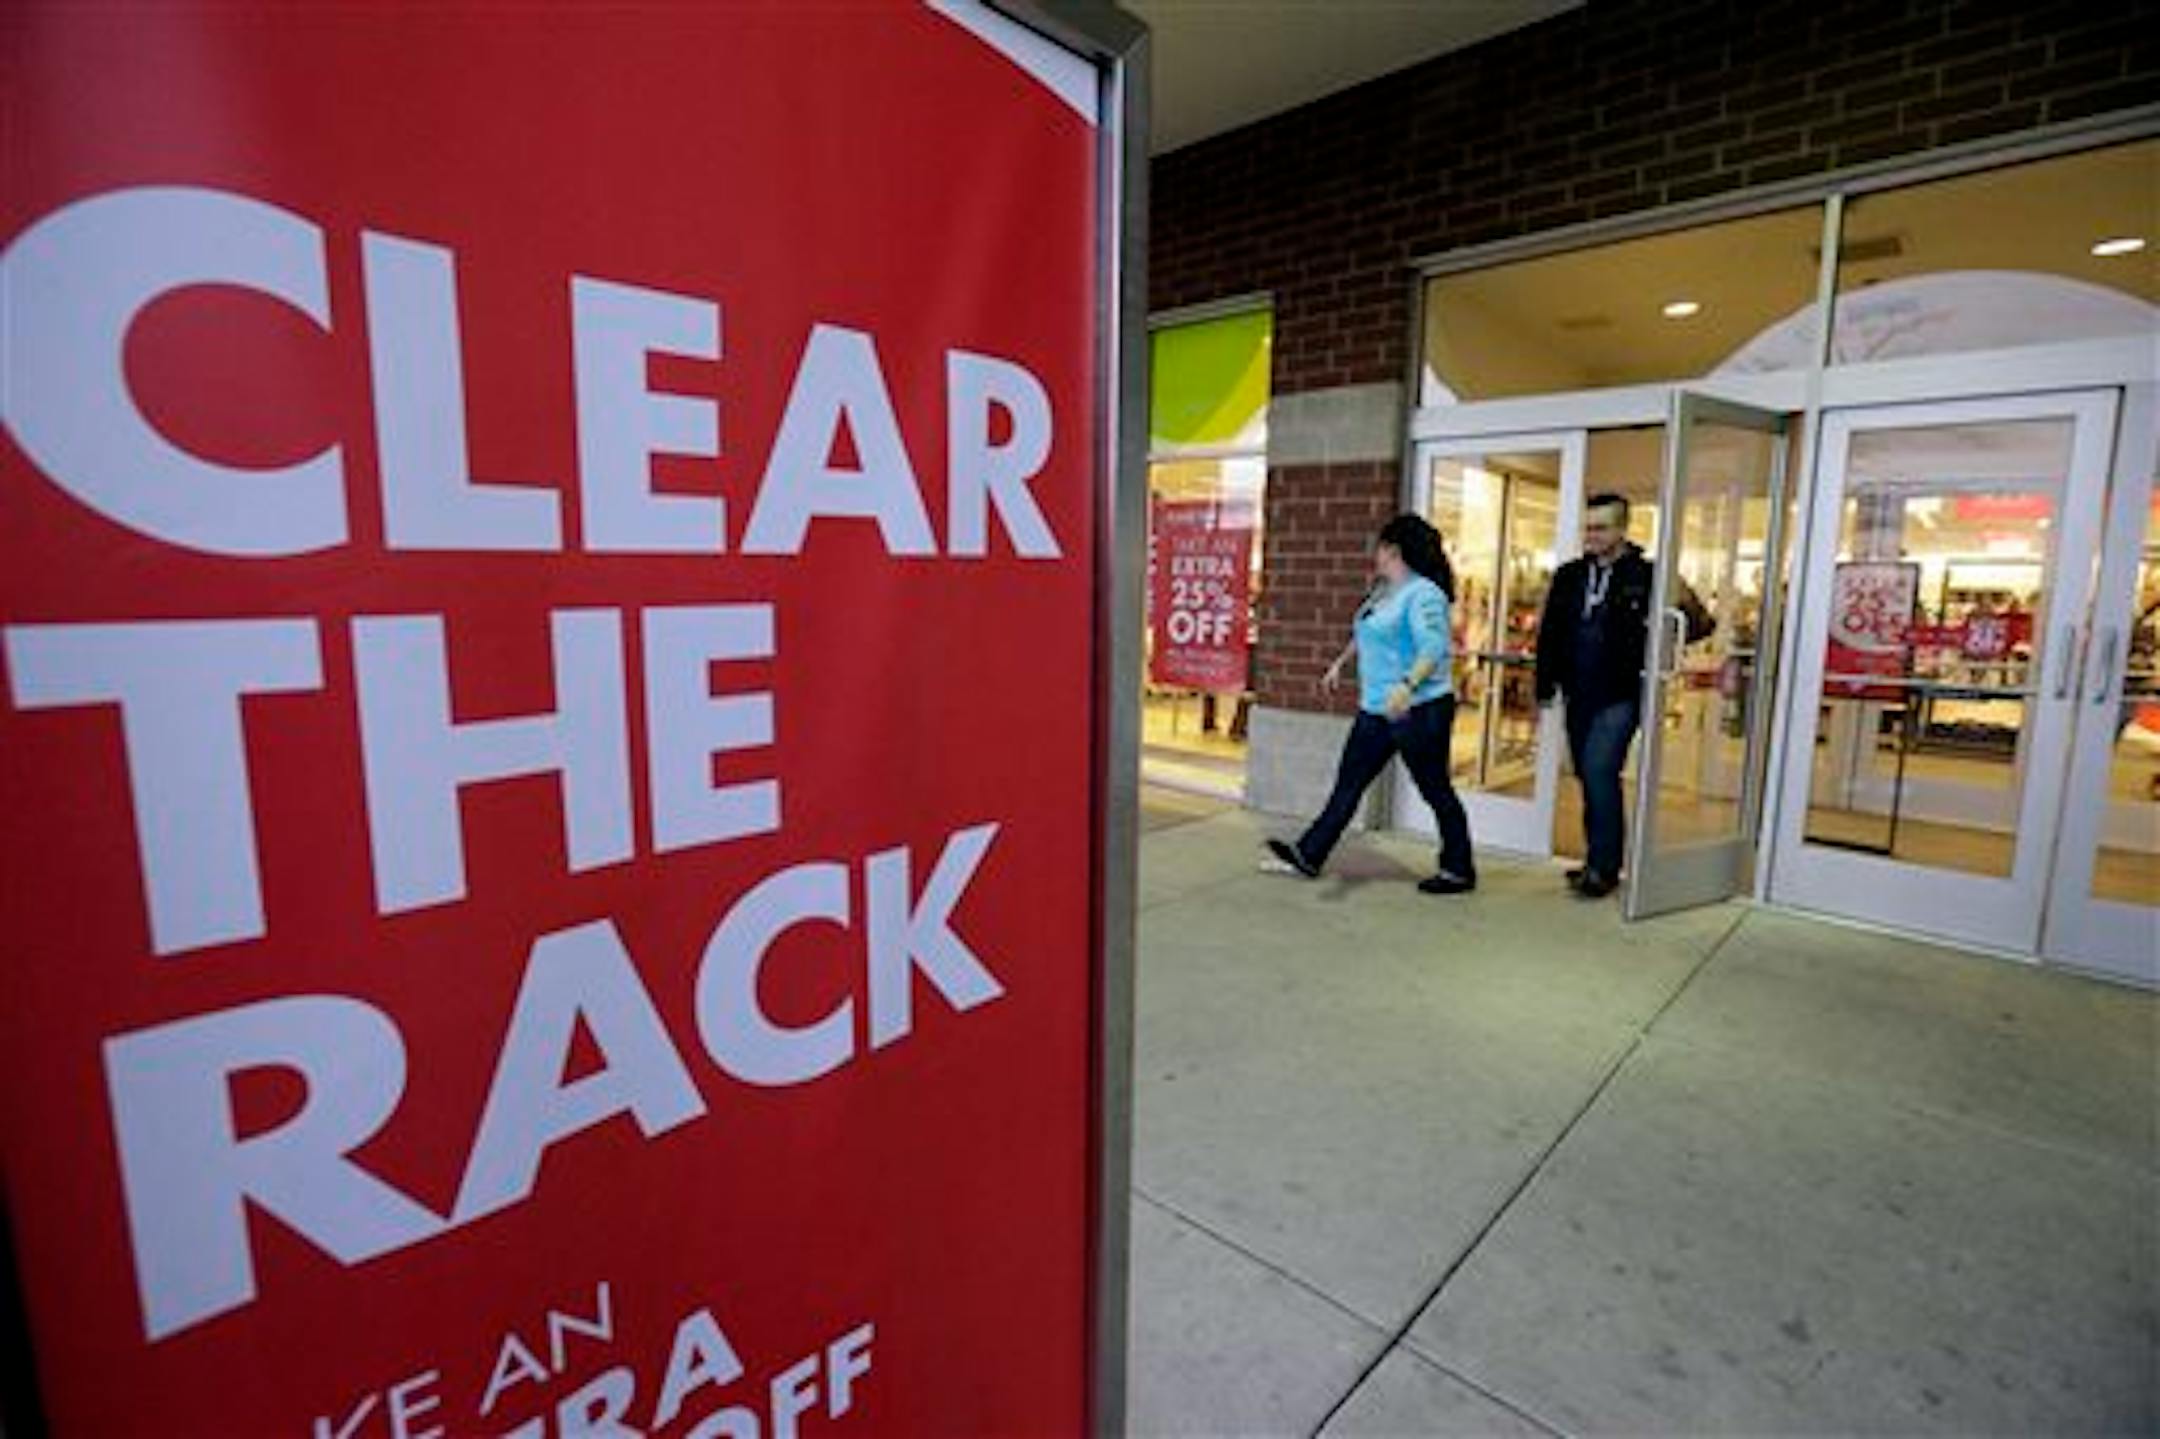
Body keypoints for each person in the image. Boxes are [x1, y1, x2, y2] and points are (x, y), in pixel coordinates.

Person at [1265, 514, 1478, 894]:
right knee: (1348, 785)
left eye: (1379, 547)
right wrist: (1340, 663)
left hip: (1419, 709)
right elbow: (1368, 630)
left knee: (1435, 790)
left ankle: (1458, 869)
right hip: (1376, 709)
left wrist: (1407, 685)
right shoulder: (1385, 590)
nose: (1375, 554)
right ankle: (1308, 854)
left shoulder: (1424, 593)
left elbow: (1433, 647)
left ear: (1393, 549)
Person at [1534, 492, 1711, 898]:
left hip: (1622, 694)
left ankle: (1605, 868)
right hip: (1579, 692)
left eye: (1601, 528)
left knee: (1599, 770)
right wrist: (1545, 685)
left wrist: (1659, 632)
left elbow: (1699, 623)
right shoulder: (1569, 575)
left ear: (1622, 529)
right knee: (1587, 774)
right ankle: (1596, 859)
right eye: (1588, 528)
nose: (1591, 536)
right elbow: (1550, 633)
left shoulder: (1649, 574)